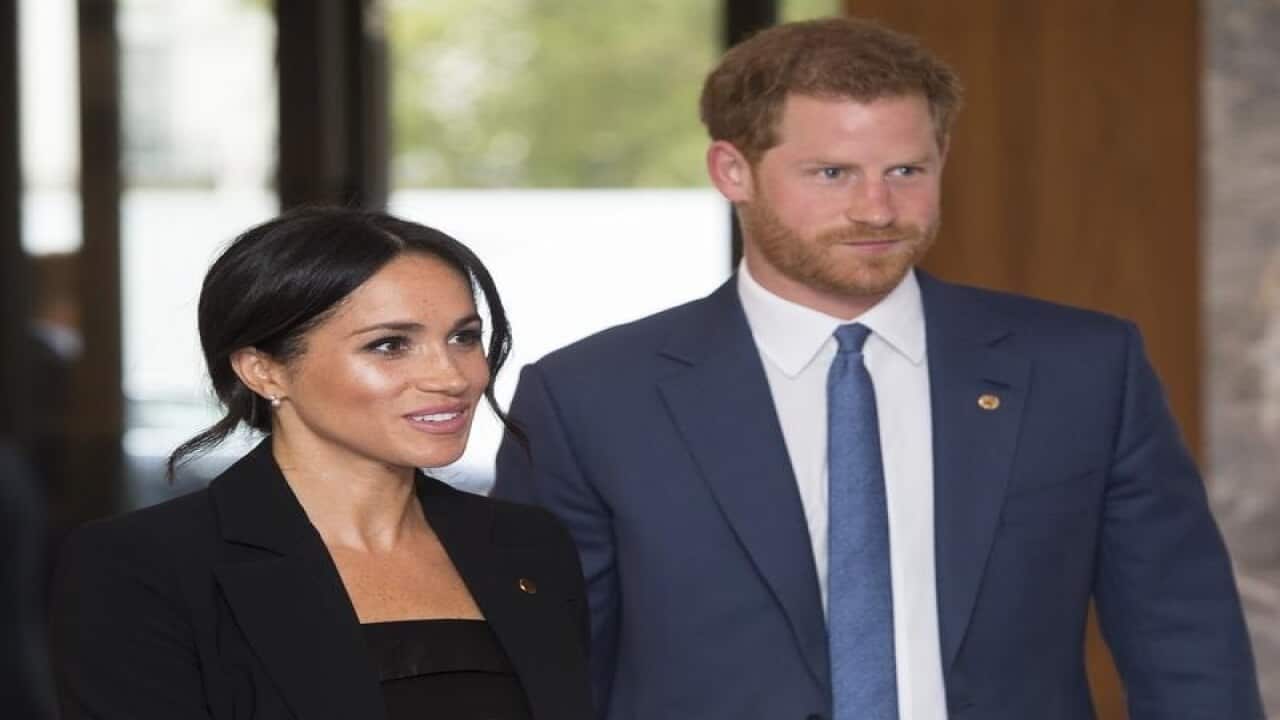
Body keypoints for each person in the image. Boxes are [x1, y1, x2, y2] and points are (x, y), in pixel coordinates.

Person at [492, 18, 1263, 720]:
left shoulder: (1085, 368)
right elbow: (551, 671)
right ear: (732, 170)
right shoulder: (589, 399)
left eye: (906, 171)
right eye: (832, 174)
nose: (878, 209)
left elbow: (1183, 636)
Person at [51, 207, 593, 720]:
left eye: (463, 337)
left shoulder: (530, 546)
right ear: (264, 372)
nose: (452, 377)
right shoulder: (142, 566)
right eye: (389, 345)